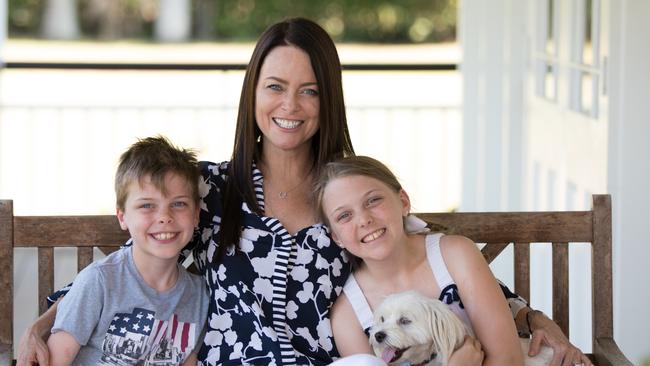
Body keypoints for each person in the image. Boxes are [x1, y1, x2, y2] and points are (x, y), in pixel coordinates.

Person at [17, 17, 591, 366]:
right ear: (254, 95)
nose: (290, 107)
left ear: (328, 100)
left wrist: (535, 317)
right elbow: (121, 265)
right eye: (275, 87)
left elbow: (431, 262)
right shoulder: (210, 191)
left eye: (309, 91)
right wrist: (40, 328)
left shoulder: (350, 198)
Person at [315, 155, 522, 365]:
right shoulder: (348, 314)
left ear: (403, 202)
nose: (364, 220)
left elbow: (509, 358)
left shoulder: (454, 255)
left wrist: (531, 317)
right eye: (344, 216)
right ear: (336, 238)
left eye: (373, 201)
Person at [45, 136, 209, 365]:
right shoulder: (100, 281)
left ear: (196, 215)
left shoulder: (200, 296)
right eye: (147, 206)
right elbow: (56, 360)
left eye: (178, 204)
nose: (164, 217)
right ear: (122, 217)